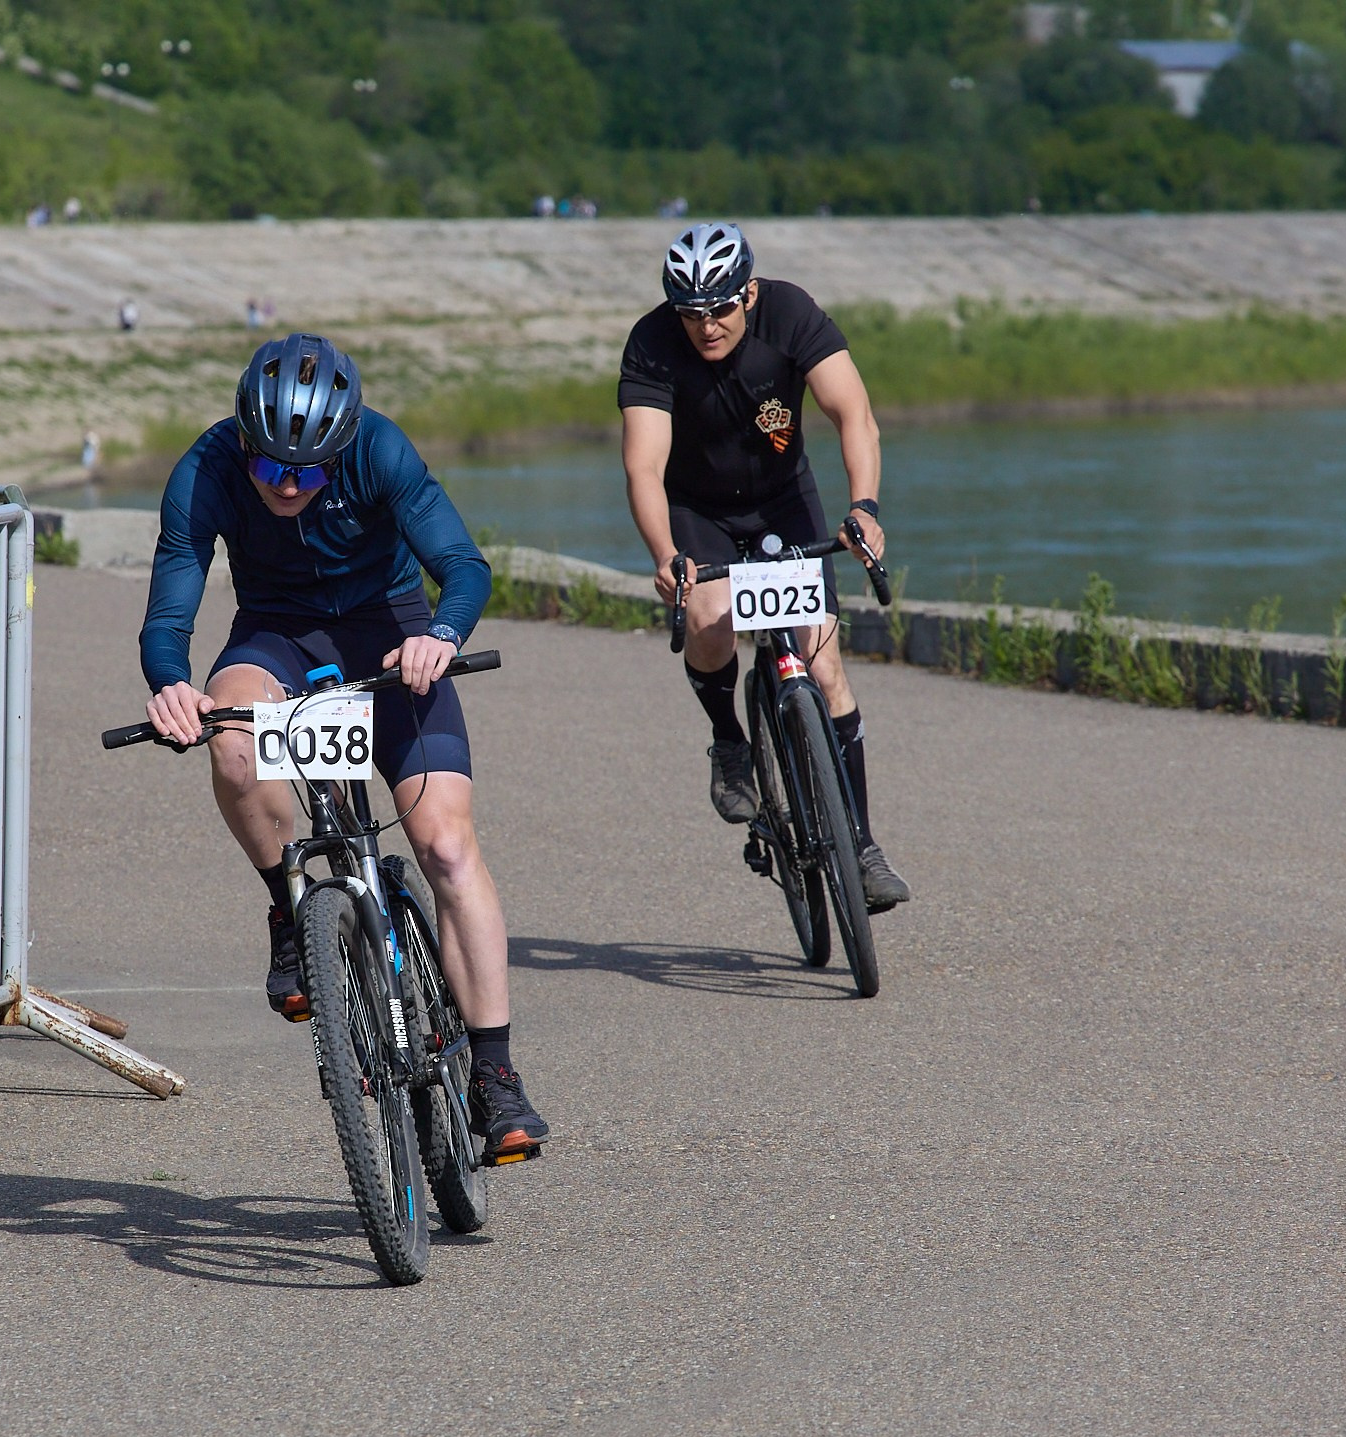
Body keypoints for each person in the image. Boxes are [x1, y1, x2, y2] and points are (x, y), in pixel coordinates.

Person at [139, 333, 550, 1159]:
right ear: (246, 445)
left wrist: (441, 633)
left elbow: (462, 565)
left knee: (445, 848)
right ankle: (291, 908)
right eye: (272, 470)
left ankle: (496, 1073)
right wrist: (172, 683)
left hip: (391, 627)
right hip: (277, 633)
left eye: (311, 472)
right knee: (229, 734)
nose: (289, 486)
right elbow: (170, 607)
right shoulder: (207, 469)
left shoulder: (381, 449)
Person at [618, 221, 911, 911]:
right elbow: (643, 465)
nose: (707, 325)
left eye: (720, 307)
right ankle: (729, 740)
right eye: (691, 313)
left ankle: (862, 845)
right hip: (700, 512)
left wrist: (864, 506)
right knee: (710, 618)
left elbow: (854, 414)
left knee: (825, 660)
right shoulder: (654, 343)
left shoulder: (790, 312)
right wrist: (667, 558)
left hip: (784, 502)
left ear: (748, 291)